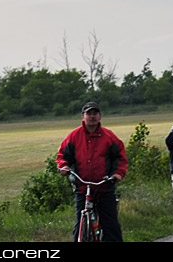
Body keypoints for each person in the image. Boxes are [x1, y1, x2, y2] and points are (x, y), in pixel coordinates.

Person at [57, 101, 127, 242]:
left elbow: (120, 157)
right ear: (83, 116)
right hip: (82, 187)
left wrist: (118, 173)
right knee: (80, 223)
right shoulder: (74, 136)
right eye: (88, 113)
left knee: (111, 225)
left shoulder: (109, 136)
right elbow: (62, 156)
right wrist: (64, 167)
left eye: (95, 113)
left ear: (100, 116)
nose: (92, 116)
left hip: (104, 186)